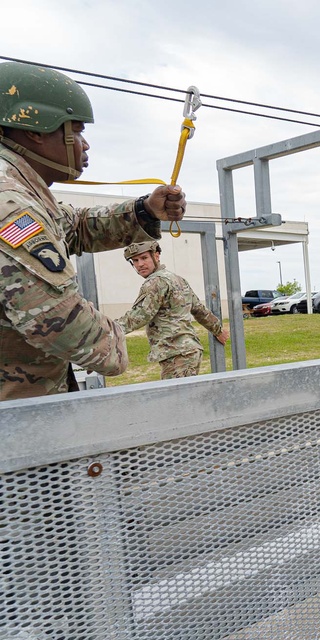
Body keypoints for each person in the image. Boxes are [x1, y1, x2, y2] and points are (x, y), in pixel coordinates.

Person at [0, 62, 186, 400]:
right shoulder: (9, 201)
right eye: (76, 131)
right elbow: (53, 316)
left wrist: (144, 210)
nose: (84, 145)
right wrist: (115, 345)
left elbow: (71, 226)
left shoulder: (20, 188)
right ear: (35, 130)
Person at [117, 241, 229, 379]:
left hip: (176, 354)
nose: (140, 264)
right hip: (187, 352)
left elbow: (139, 315)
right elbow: (199, 309)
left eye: (144, 258)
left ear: (156, 256)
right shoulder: (177, 279)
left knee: (178, 399)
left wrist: (107, 331)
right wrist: (217, 329)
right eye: (135, 260)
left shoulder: (155, 282)